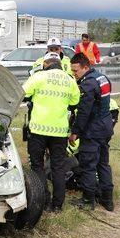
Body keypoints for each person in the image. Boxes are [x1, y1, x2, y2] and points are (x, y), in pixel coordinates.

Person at [22, 52, 80, 212]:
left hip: (38, 129)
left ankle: (43, 200)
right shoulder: (70, 80)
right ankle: (57, 205)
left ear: (45, 63)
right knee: (58, 167)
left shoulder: (39, 77)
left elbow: (23, 94)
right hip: (60, 131)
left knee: (37, 165)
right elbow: (75, 102)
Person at [69, 53, 114, 211]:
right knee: (103, 164)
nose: (74, 75)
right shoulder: (102, 78)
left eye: (76, 71)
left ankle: (88, 200)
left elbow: (84, 112)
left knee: (88, 165)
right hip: (106, 126)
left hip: (93, 130)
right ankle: (107, 200)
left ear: (85, 67)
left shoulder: (88, 84)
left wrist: (75, 132)